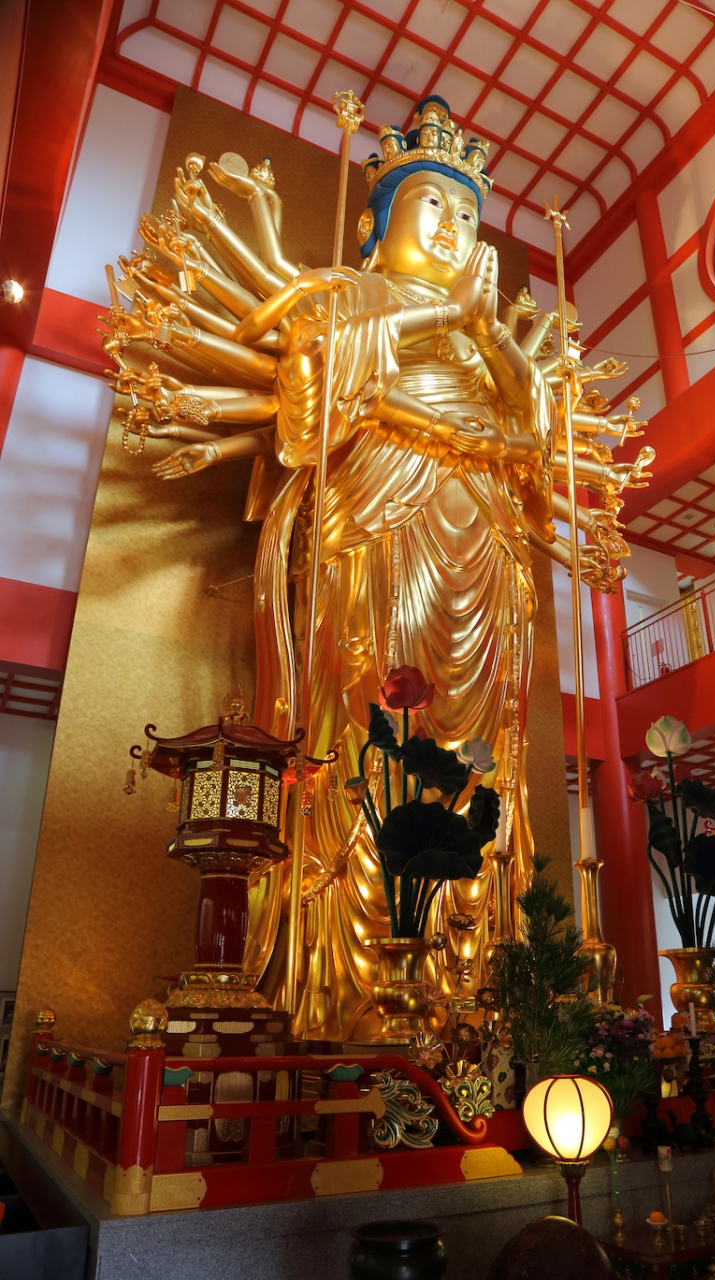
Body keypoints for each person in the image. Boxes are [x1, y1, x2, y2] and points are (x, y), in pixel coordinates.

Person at [105, 95, 647, 1040]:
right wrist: (435, 314)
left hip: (485, 545)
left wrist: (490, 339)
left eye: (468, 214)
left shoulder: (486, 341)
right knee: (368, 726)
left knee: (480, 754)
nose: (452, 226)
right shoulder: (346, 298)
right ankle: (348, 983)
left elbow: (532, 444)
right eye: (432, 204)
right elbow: (308, 418)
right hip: (378, 524)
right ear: (377, 223)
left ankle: (475, 972)